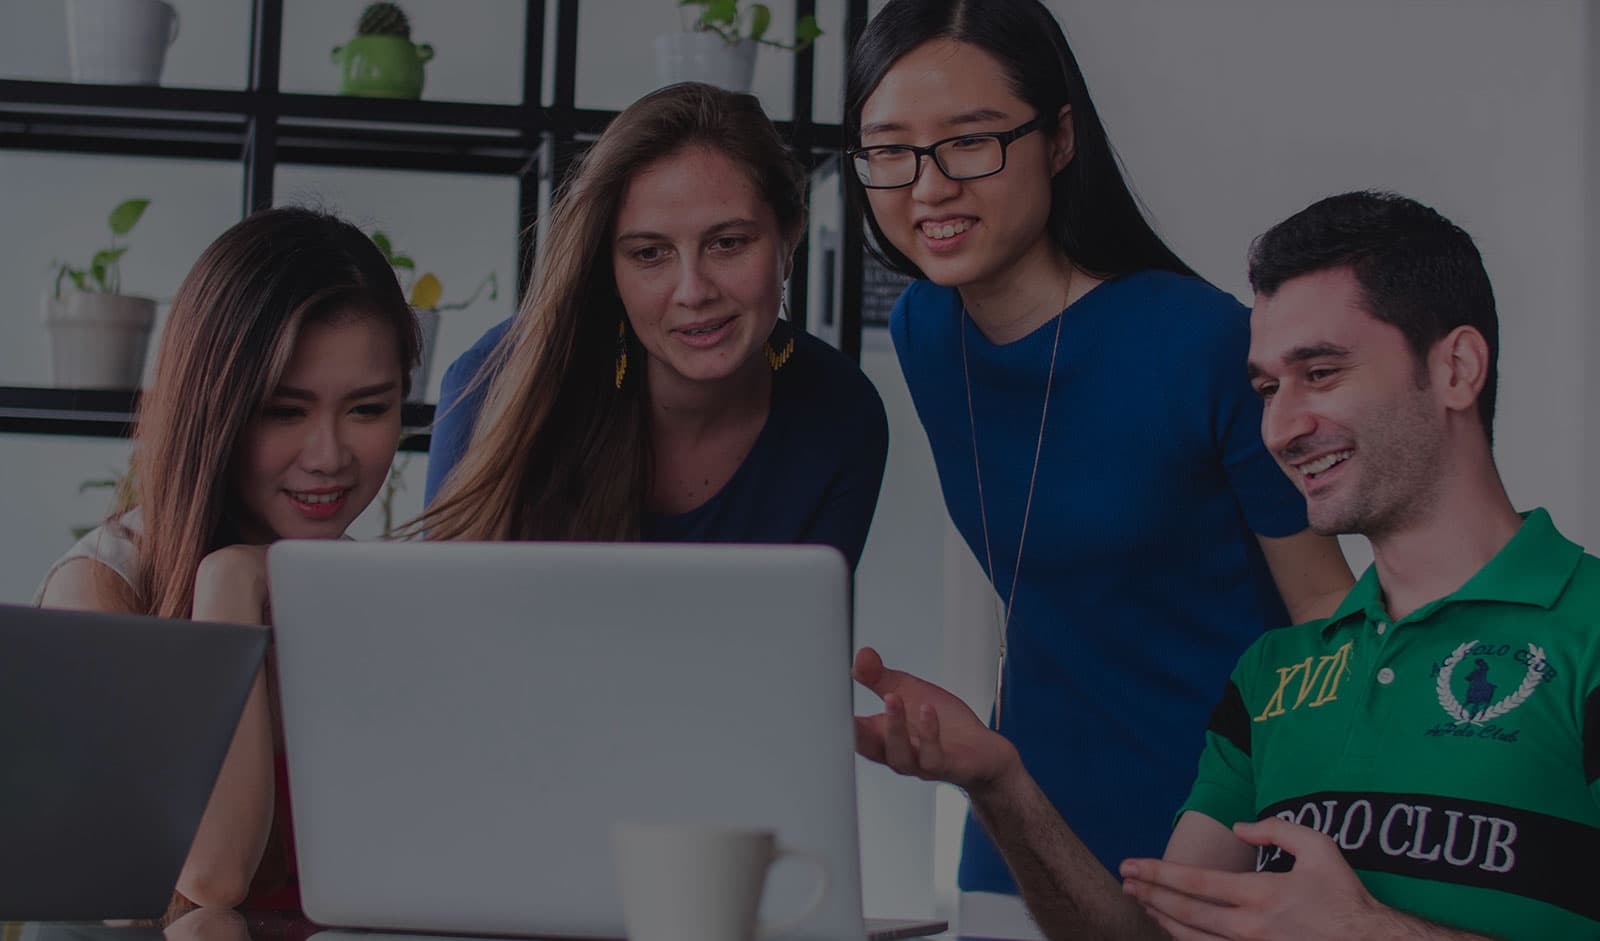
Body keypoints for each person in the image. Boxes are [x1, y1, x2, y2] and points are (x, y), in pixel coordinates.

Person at [854, 190, 1598, 940]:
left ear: (1457, 368)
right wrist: (1000, 781)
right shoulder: (1271, 676)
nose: (1281, 426)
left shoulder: (1588, 633)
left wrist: (1367, 930)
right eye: (1268, 388)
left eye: (1322, 372)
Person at [841, 0, 1354, 915]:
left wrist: (1294, 843)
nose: (928, 188)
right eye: (890, 149)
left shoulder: (1203, 345)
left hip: (1224, 839)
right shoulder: (925, 330)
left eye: (970, 141)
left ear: (1061, 138)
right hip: (1021, 831)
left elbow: (1326, 615)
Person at [35, 207, 421, 911]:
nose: (330, 456)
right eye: (284, 410)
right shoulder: (101, 586)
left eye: (368, 409)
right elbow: (209, 876)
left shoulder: (373, 597)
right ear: (215, 407)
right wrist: (229, 588)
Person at [417, 82, 888, 567]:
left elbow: (804, 636)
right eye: (650, 253)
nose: (693, 290)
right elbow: (447, 625)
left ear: (789, 238)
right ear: (610, 268)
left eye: (727, 243)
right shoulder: (496, 382)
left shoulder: (844, 416)